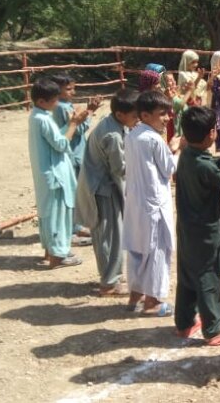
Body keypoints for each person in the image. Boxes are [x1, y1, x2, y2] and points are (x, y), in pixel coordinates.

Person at [174, 106, 220, 345]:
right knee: (209, 278)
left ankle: (185, 323)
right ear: (210, 134)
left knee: (187, 275)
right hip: (206, 232)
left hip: (187, 228)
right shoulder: (203, 164)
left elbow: (206, 173)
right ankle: (214, 328)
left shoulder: (187, 155)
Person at [75, 89, 139, 296]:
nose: (137, 120)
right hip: (101, 190)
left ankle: (111, 276)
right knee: (109, 236)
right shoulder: (113, 135)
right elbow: (120, 169)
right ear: (121, 115)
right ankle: (109, 283)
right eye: (135, 116)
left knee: (111, 234)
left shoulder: (114, 124)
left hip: (104, 187)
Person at [124, 90, 180, 317]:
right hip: (154, 204)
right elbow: (169, 169)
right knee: (158, 250)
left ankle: (134, 297)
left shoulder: (131, 135)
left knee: (137, 250)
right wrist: (176, 150)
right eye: (162, 114)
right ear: (145, 115)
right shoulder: (154, 139)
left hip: (136, 203)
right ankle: (153, 302)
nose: (167, 118)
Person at [28, 78, 90, 269]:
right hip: (55, 176)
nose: (56, 104)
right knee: (58, 215)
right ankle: (58, 255)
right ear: (41, 101)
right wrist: (73, 124)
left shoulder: (37, 116)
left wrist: (72, 123)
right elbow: (62, 143)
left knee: (49, 214)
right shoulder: (43, 119)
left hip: (48, 174)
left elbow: (57, 139)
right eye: (53, 100)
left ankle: (52, 250)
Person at [50, 73, 99, 246]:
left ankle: (76, 225)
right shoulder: (63, 108)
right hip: (73, 154)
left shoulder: (63, 106)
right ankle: (70, 230)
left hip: (75, 153)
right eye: (68, 89)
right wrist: (90, 111)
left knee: (77, 191)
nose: (73, 91)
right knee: (73, 193)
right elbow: (78, 129)